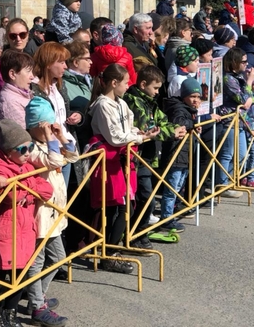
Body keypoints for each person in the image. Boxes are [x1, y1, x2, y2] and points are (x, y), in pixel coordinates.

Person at [0, 119, 54, 327]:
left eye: (30, 147)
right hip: (5, 228)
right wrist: (27, 192)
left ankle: (10, 313)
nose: (28, 153)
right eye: (22, 149)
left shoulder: (27, 166)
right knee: (1, 273)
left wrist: (27, 195)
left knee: (20, 274)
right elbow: (9, 194)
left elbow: (47, 190)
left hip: (25, 228)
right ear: (7, 151)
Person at [87, 64, 160, 273]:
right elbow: (115, 136)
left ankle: (113, 249)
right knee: (114, 207)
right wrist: (140, 137)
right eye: (126, 82)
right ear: (114, 83)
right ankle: (108, 253)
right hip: (109, 160)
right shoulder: (103, 105)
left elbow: (128, 128)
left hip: (123, 159)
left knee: (125, 205)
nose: (129, 86)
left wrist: (142, 132)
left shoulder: (120, 103)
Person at [24, 97, 78, 327]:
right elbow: (54, 161)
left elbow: (73, 156)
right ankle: (37, 305)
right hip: (40, 213)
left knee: (58, 258)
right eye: (45, 124)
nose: (50, 127)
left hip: (56, 211)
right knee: (37, 260)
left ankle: (37, 296)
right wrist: (49, 139)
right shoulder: (30, 147)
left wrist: (61, 136)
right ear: (35, 126)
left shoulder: (50, 142)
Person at [123, 66, 185, 247]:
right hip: (137, 157)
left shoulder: (149, 101)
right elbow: (148, 128)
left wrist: (174, 128)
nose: (158, 92)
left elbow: (162, 120)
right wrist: (170, 132)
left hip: (148, 156)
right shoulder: (134, 101)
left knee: (146, 199)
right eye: (155, 88)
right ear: (143, 84)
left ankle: (141, 233)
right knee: (144, 198)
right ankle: (134, 235)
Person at [31, 43, 78, 187]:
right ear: (48, 63)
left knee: (64, 198)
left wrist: (77, 117)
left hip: (66, 147)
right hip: (49, 152)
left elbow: (64, 113)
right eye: (61, 62)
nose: (66, 66)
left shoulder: (59, 85)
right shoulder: (33, 88)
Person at [160, 78, 203, 231]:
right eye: (193, 96)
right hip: (176, 154)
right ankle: (166, 218)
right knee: (172, 188)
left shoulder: (188, 110)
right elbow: (180, 122)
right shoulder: (179, 108)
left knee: (178, 186)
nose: (196, 100)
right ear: (184, 96)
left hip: (184, 154)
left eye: (198, 97)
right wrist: (195, 124)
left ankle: (172, 213)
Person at [213, 47, 252, 198]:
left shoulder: (238, 76)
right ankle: (222, 184)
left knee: (242, 154)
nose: (246, 65)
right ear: (234, 62)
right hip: (229, 119)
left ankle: (229, 180)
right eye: (243, 62)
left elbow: (250, 99)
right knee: (227, 153)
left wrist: (248, 92)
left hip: (241, 120)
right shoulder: (227, 78)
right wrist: (249, 82)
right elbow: (243, 100)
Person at [0, 18, 31, 111]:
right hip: (8, 115)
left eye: (22, 35)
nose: (18, 39)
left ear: (28, 35)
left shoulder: (32, 60)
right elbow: (4, 93)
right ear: (7, 37)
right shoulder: (0, 65)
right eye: (13, 36)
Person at [62, 41, 93, 150]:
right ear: (75, 62)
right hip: (77, 142)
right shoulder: (63, 84)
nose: (91, 62)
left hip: (91, 139)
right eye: (87, 59)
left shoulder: (88, 80)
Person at [0, 50, 35, 129]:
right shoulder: (10, 102)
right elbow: (23, 134)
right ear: (12, 74)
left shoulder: (21, 94)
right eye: (28, 71)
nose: (32, 76)